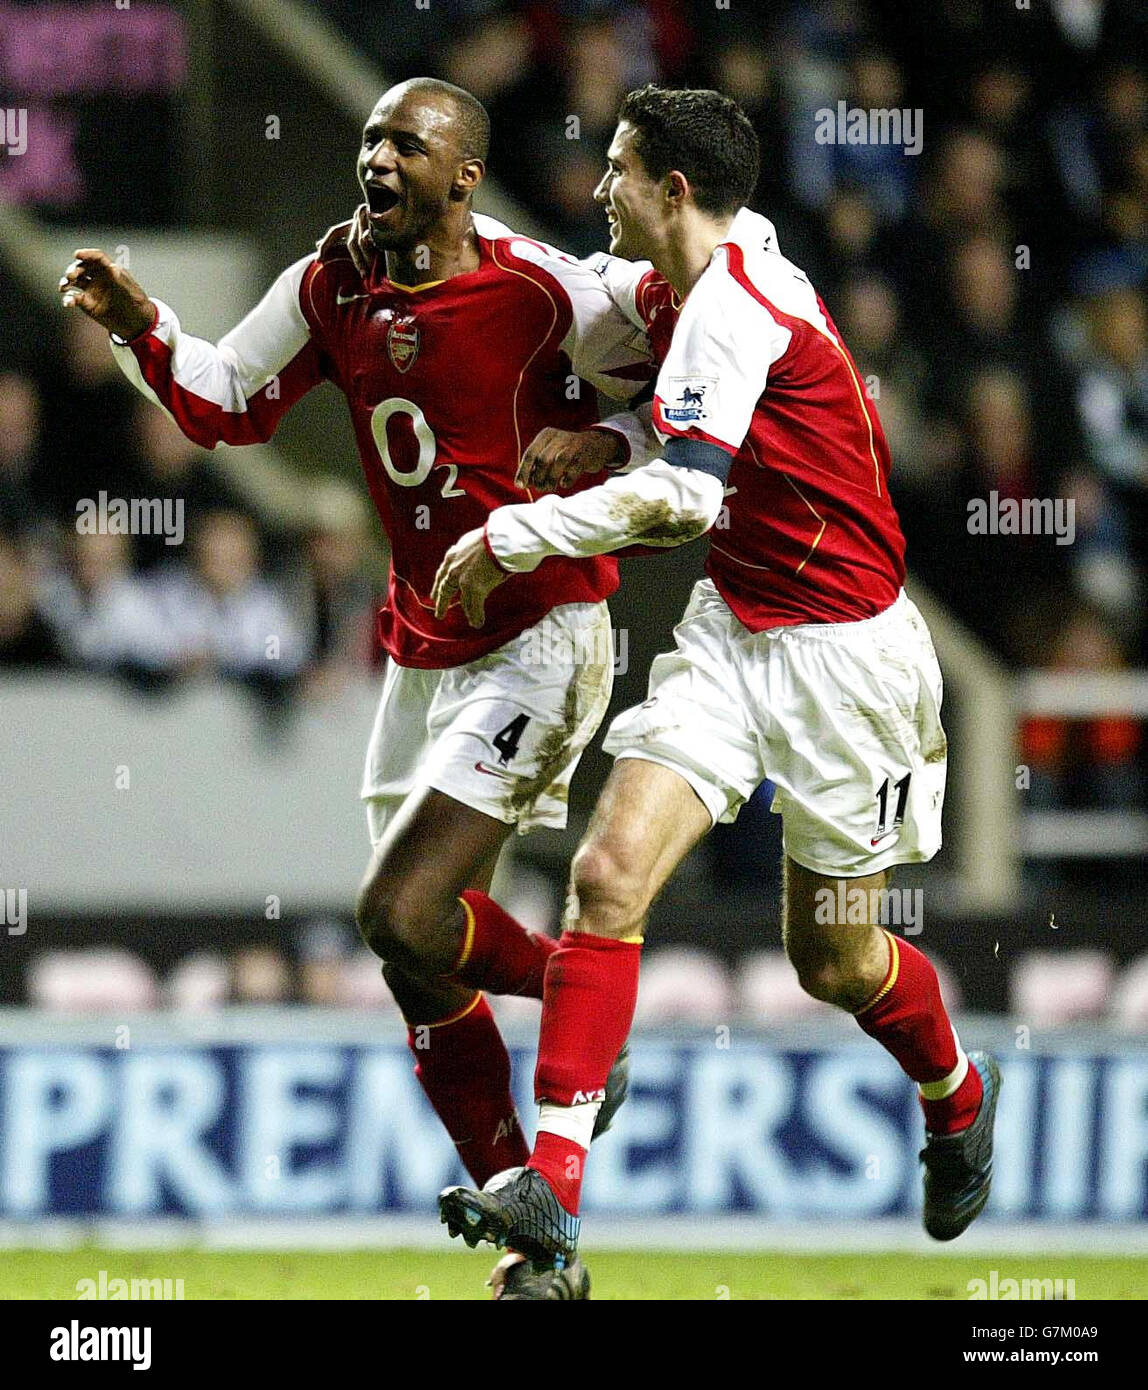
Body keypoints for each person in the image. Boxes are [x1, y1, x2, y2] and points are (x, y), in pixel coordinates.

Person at [58, 76, 657, 1299]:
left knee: (397, 910)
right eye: (372, 138)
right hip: (420, 645)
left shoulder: (551, 288)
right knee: (415, 956)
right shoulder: (332, 281)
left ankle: (578, 995)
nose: (378, 159)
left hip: (544, 631)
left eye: (408, 143)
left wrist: (615, 440)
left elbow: (690, 409)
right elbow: (226, 403)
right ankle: (539, 1249)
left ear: (463, 175)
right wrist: (138, 322)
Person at [433, 85, 1001, 1267]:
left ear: (671, 191)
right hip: (732, 632)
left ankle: (952, 1091)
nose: (600, 191)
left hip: (851, 668)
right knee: (602, 876)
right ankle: (551, 1186)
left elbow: (689, 492)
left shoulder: (733, 305)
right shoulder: (691, 280)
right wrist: (617, 438)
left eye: (617, 170)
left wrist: (510, 534)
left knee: (832, 959)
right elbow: (689, 438)